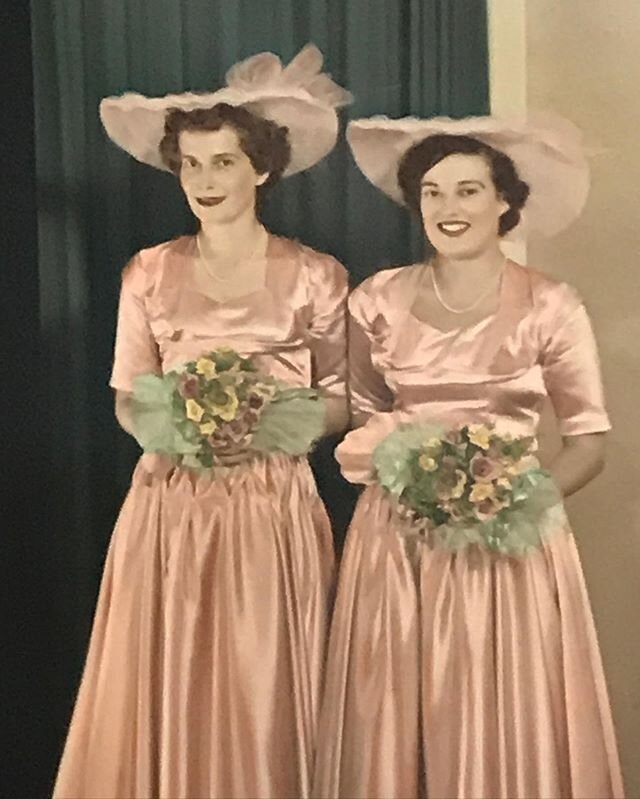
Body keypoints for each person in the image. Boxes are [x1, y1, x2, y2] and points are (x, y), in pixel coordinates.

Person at [54, 45, 351, 799]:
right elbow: (128, 394)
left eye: (223, 163)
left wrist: (265, 424)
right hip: (170, 503)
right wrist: (178, 431)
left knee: (266, 679)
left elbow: (347, 399)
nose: (206, 181)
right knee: (172, 669)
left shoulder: (315, 274)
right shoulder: (149, 270)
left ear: (260, 169)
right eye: (192, 165)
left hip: (272, 507)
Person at [313, 114, 624, 798]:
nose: (448, 209)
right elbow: (363, 418)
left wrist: (506, 500)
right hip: (397, 544)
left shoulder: (550, 304)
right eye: (432, 192)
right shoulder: (378, 299)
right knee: (395, 715)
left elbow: (589, 442)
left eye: (467, 191)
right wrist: (413, 479)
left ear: (506, 201)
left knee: (502, 709)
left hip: (505, 545)